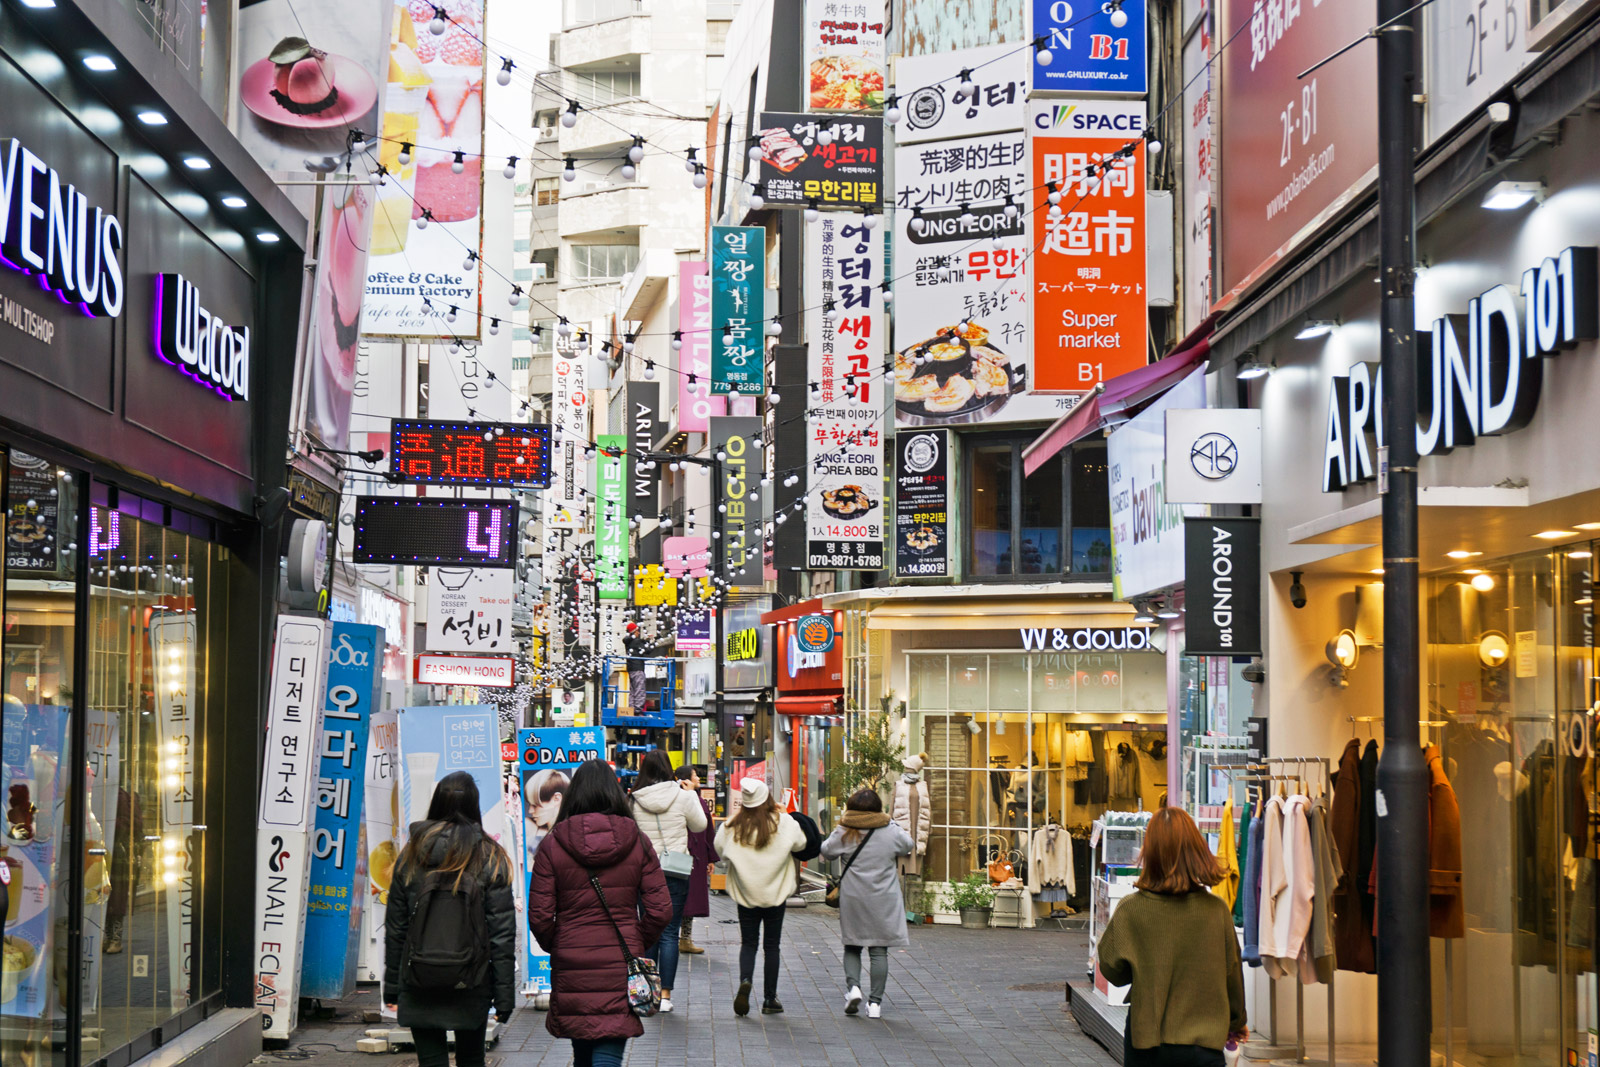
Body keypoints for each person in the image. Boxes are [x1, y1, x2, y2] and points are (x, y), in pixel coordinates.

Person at [530, 759, 671, 1067]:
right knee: (608, 1046)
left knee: (582, 1050)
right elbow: (660, 909)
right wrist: (635, 938)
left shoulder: (552, 844)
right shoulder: (637, 841)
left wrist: (559, 942)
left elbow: (540, 915)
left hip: (572, 961)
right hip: (620, 962)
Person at [1096, 807, 1248, 1067]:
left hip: (1147, 1043)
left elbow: (1113, 971)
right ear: (1196, 850)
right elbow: (1232, 974)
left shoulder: (1131, 909)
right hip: (1204, 1046)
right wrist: (1237, 1022)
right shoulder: (1217, 911)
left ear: (1149, 853)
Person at [384, 772, 516, 1067]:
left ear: (436, 803)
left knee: (430, 1061)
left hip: (419, 978)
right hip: (472, 979)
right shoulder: (488, 855)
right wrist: (504, 995)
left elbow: (396, 928)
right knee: (471, 1058)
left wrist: (392, 986)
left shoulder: (412, 852)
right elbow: (502, 933)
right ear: (474, 806)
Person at [714, 777, 807, 1016]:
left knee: (748, 943)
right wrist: (784, 814)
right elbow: (801, 844)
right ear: (767, 799)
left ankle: (746, 980)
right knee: (772, 946)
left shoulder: (733, 826)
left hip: (746, 893)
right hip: (776, 893)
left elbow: (719, 849)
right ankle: (769, 998)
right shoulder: (783, 822)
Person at [819, 787, 914, 1019]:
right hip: (884, 897)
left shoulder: (844, 830)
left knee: (852, 945)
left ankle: (853, 989)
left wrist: (839, 829)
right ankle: (875, 1004)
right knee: (879, 950)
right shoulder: (889, 830)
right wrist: (891, 822)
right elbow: (908, 845)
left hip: (854, 897)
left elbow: (826, 851)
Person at [626, 750, 707, 1012]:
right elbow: (700, 826)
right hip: (675, 870)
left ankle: (648, 993)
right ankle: (666, 996)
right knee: (670, 932)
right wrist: (691, 795)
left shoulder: (634, 800)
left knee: (648, 930)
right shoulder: (684, 796)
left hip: (644, 871)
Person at [674, 764, 718, 956]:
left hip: (695, 856)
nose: (698, 779)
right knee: (683, 898)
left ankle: (685, 938)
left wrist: (710, 858)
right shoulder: (689, 800)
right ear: (685, 780)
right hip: (688, 855)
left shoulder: (696, 799)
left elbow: (707, 830)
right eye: (694, 776)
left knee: (688, 899)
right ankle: (680, 938)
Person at [523, 767, 568, 857]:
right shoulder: (530, 826)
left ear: (556, 799)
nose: (530, 811)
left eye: (535, 805)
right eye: (530, 804)